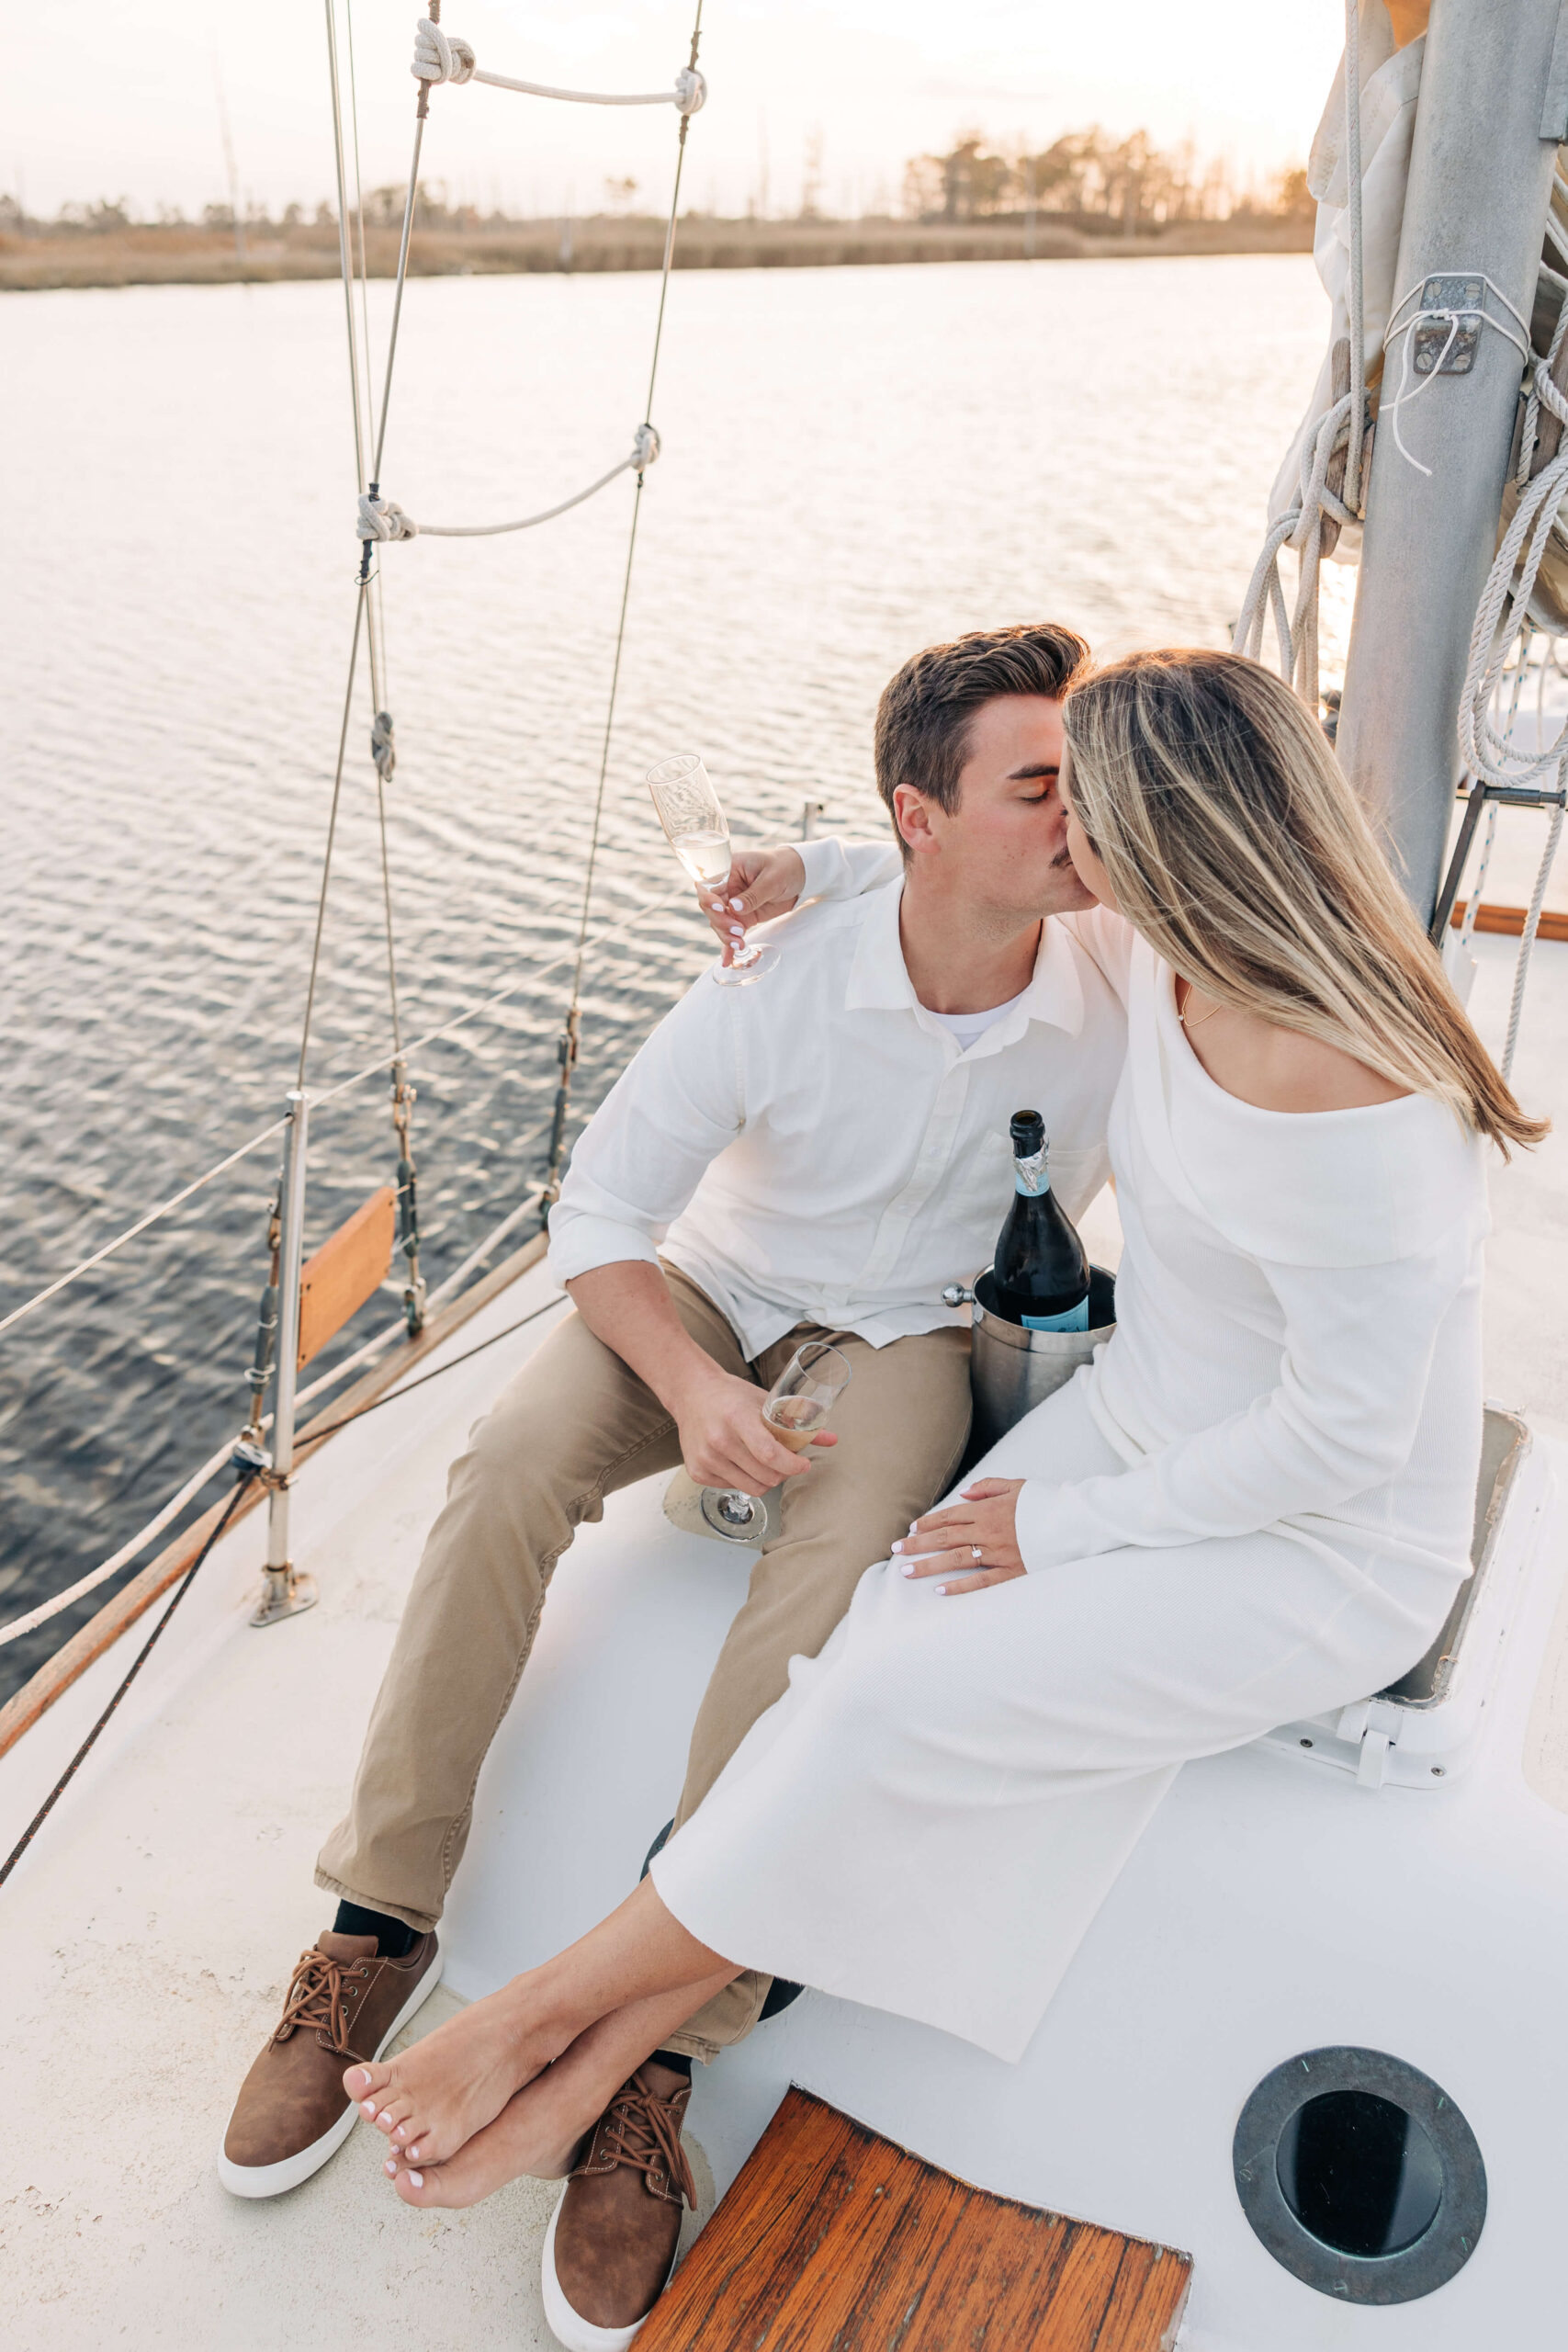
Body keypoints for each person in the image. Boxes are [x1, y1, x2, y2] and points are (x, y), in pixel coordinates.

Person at [336, 648, 1542, 2272]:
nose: (1063, 843)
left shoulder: (1357, 1088)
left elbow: (1339, 1445)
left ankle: (552, 2031)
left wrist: (1066, 1526)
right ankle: (597, 2055)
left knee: (901, 1701)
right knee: (860, 1673)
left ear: (1160, 838)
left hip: (1313, 1546)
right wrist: (812, 866)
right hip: (1145, 1426)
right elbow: (947, 874)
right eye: (1046, 806)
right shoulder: (1150, 953)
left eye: (1083, 811)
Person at [219, 622, 1130, 2347]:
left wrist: (853, 849)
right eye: (1043, 787)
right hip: (709, 1294)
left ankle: (662, 2055)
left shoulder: (1112, 974)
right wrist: (698, 1386)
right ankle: (374, 1927)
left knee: (840, 1573)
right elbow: (600, 1220)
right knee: (499, 1468)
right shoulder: (773, 981)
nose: (1086, 820)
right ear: (922, 817)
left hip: (912, 1334)